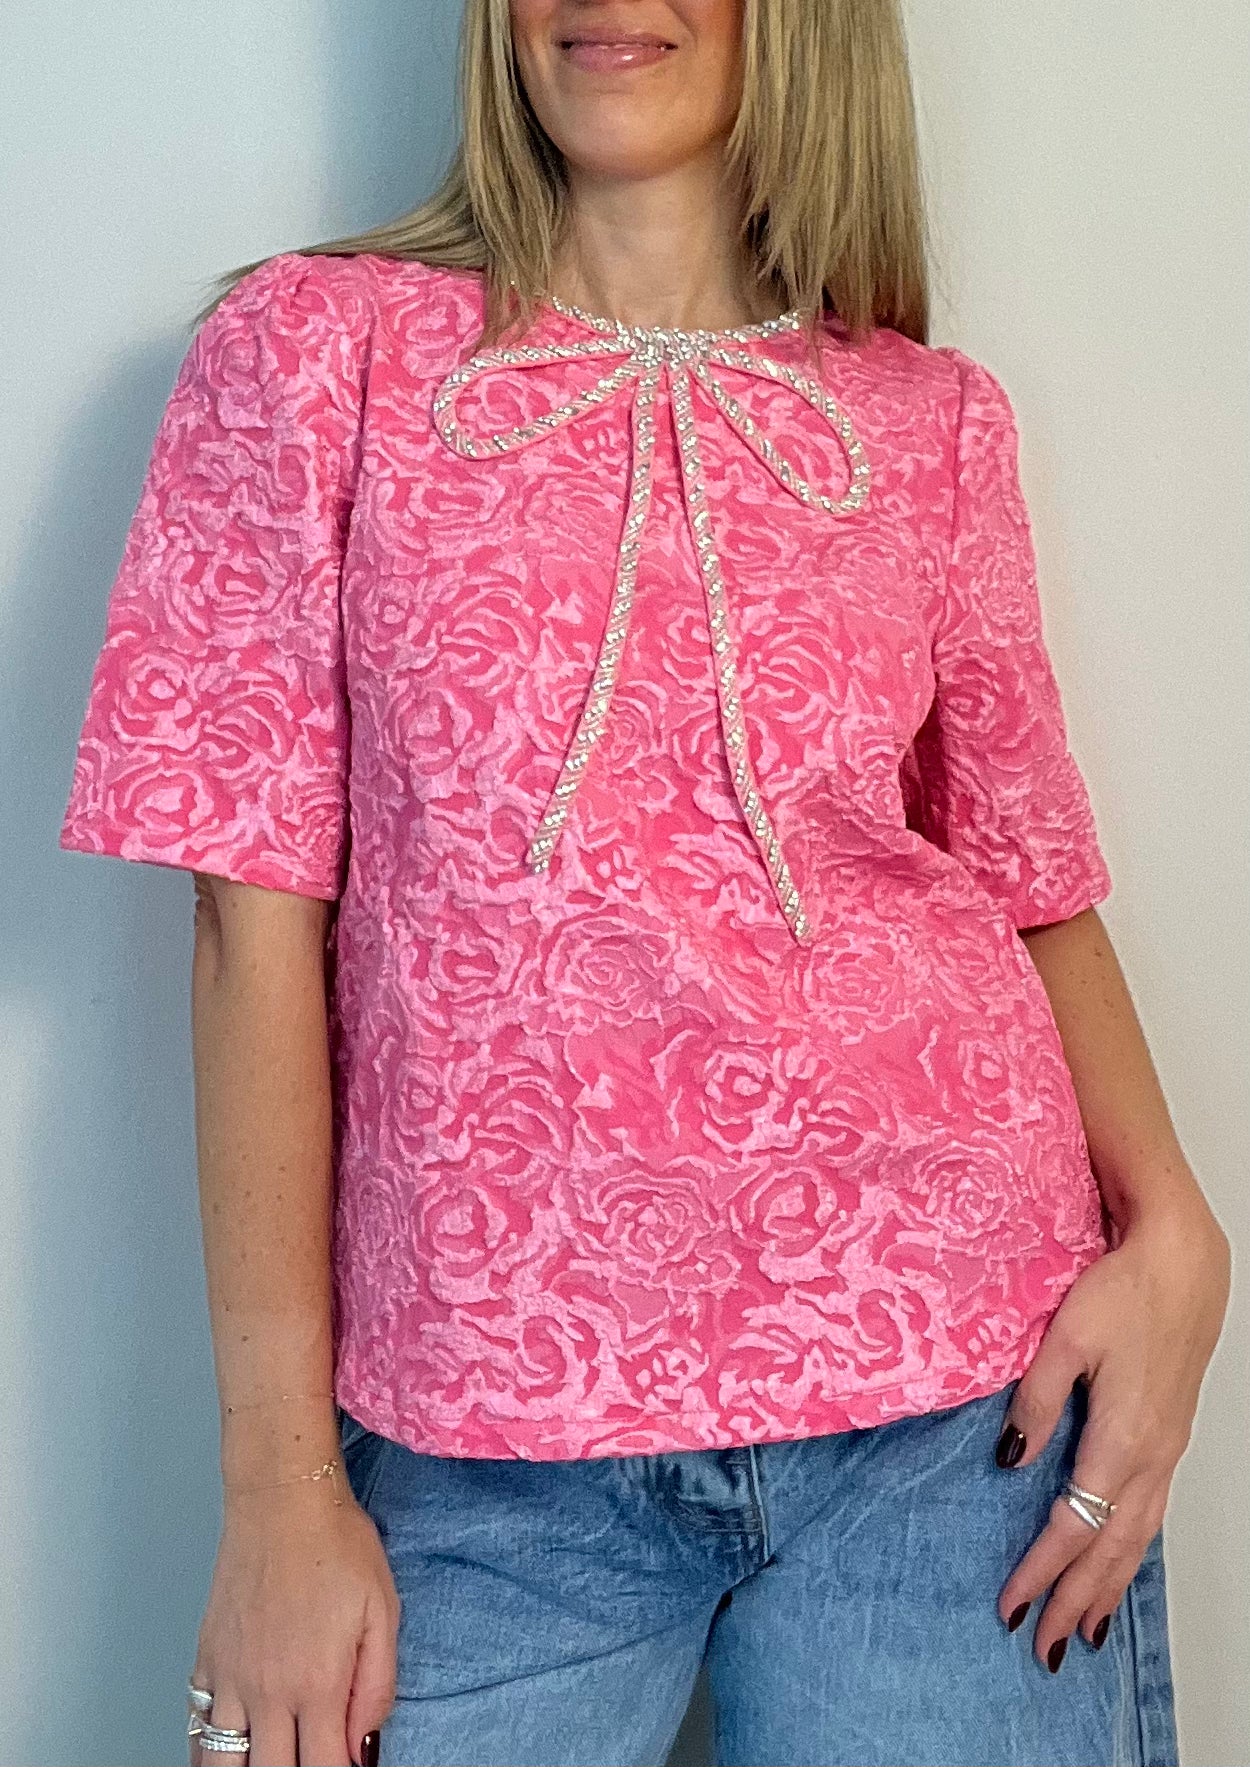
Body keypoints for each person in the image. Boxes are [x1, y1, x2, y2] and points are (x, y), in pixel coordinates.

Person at [58, 3, 1230, 1765]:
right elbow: (247, 920)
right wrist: (280, 1492)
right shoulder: (313, 352)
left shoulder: (926, 421)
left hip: (955, 1404)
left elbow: (1022, 873)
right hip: (478, 1445)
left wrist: (1177, 1232)